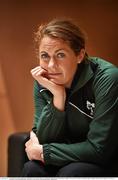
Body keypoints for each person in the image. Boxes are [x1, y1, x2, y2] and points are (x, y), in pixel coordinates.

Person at [21, 18, 118, 177]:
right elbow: (44, 138)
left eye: (60, 55)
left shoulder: (107, 78)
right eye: (45, 55)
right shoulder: (43, 80)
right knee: (31, 169)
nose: (51, 65)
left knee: (72, 172)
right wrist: (58, 97)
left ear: (79, 55)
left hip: (104, 160)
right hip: (67, 154)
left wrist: (46, 152)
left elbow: (100, 149)